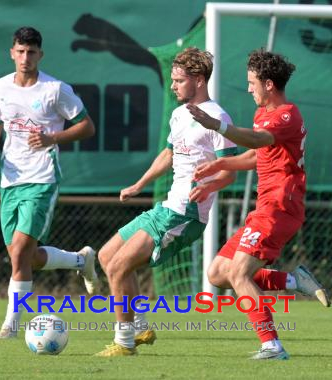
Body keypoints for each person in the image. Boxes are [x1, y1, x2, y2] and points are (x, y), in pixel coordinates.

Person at [187, 48, 331, 360]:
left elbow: (257, 141)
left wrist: (218, 126)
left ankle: (272, 345)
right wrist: (220, 166)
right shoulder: (262, 115)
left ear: (268, 84)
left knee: (239, 273)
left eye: (252, 82)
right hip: (264, 207)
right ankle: (294, 281)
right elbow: (256, 155)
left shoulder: (286, 114)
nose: (249, 87)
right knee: (218, 273)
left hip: (281, 206)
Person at [95, 47, 238, 357]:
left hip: (185, 214)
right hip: (166, 208)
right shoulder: (179, 113)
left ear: (198, 80)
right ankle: (141, 327)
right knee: (108, 257)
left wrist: (208, 186)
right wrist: (140, 183)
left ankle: (124, 343)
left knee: (120, 266)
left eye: (178, 80)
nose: (172, 86)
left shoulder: (217, 118)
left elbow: (230, 174)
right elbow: (169, 154)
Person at [0, 26, 99, 339]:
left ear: (40, 55)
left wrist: (52, 137)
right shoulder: (0, 88)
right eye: (20, 51)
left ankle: (11, 325)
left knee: (20, 252)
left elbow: (87, 127)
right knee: (25, 257)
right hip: (10, 180)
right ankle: (80, 260)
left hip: (42, 179)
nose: (25, 57)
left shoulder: (55, 89)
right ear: (12, 53)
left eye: (31, 52)